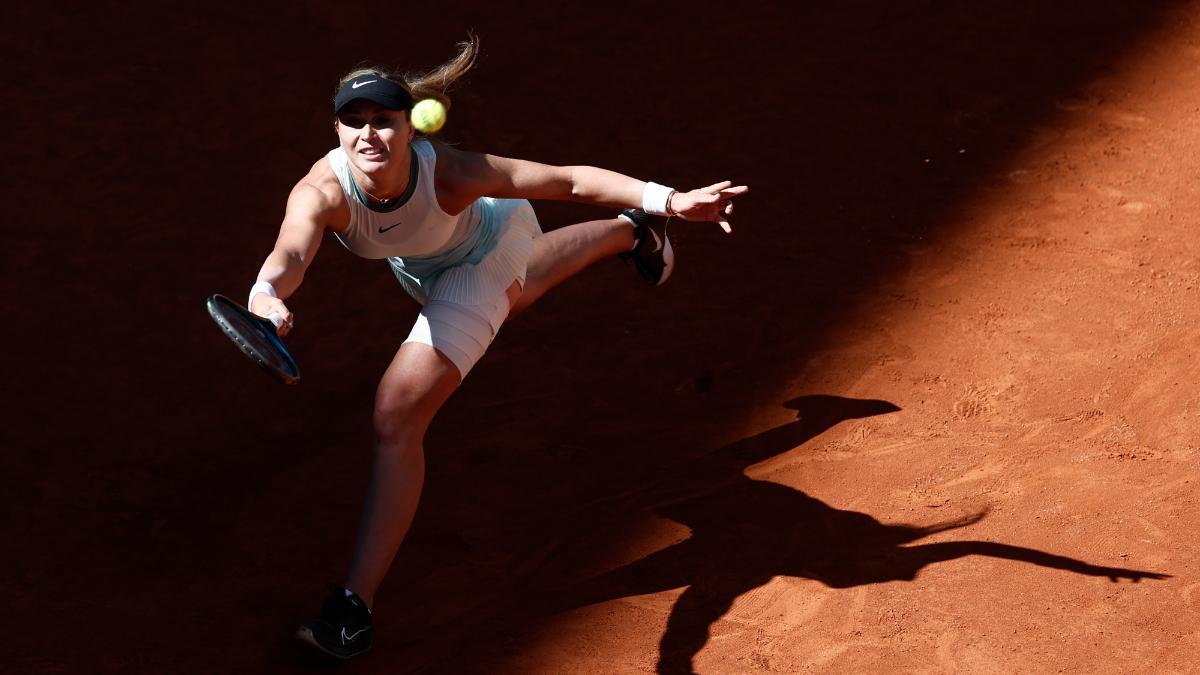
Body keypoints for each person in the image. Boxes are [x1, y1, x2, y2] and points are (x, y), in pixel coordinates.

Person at [246, 35, 748, 660]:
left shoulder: (451, 171)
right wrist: (266, 293)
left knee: (398, 412)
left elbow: (566, 181)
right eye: (354, 121)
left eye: (384, 120)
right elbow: (290, 253)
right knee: (522, 290)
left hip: (487, 242)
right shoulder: (321, 190)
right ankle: (631, 235)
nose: (368, 135)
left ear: (410, 128)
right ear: (338, 128)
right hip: (426, 265)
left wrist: (670, 198)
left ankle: (353, 609)